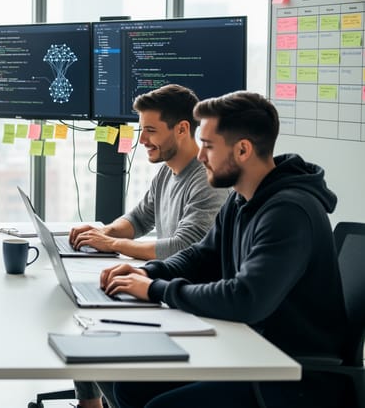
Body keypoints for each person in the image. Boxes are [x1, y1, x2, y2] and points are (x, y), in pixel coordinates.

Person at [102, 91, 348, 408]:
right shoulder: (241, 199)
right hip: (247, 349)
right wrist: (148, 273)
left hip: (289, 373)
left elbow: (244, 299)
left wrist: (156, 290)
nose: (200, 157)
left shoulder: (289, 213)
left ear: (243, 150)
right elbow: (201, 256)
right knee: (129, 387)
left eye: (208, 146)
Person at [67, 85, 229, 408]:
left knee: (99, 339)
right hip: (164, 289)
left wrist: (112, 243)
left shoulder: (206, 181)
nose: (142, 140)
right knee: (85, 320)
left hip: (187, 303)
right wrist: (103, 232)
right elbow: (139, 218)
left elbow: (184, 245)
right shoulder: (167, 173)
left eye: (151, 131)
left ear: (182, 129)